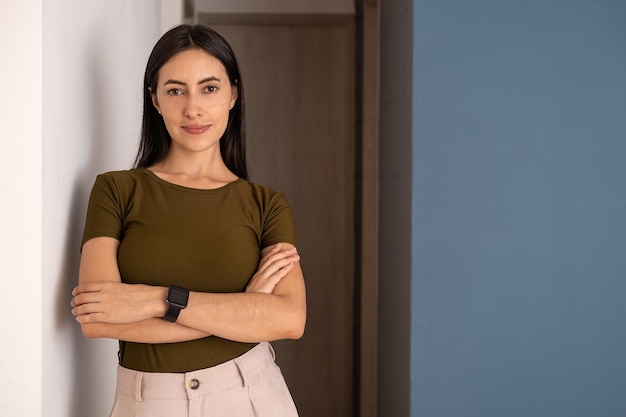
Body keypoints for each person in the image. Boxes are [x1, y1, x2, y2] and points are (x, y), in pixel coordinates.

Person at [70, 24, 306, 417]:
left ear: (233, 93)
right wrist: (244, 309)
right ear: (155, 100)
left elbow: (289, 318)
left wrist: (156, 299)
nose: (193, 108)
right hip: (147, 402)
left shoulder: (266, 204)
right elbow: (97, 318)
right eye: (175, 90)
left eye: (209, 88)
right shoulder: (116, 190)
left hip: (250, 395)